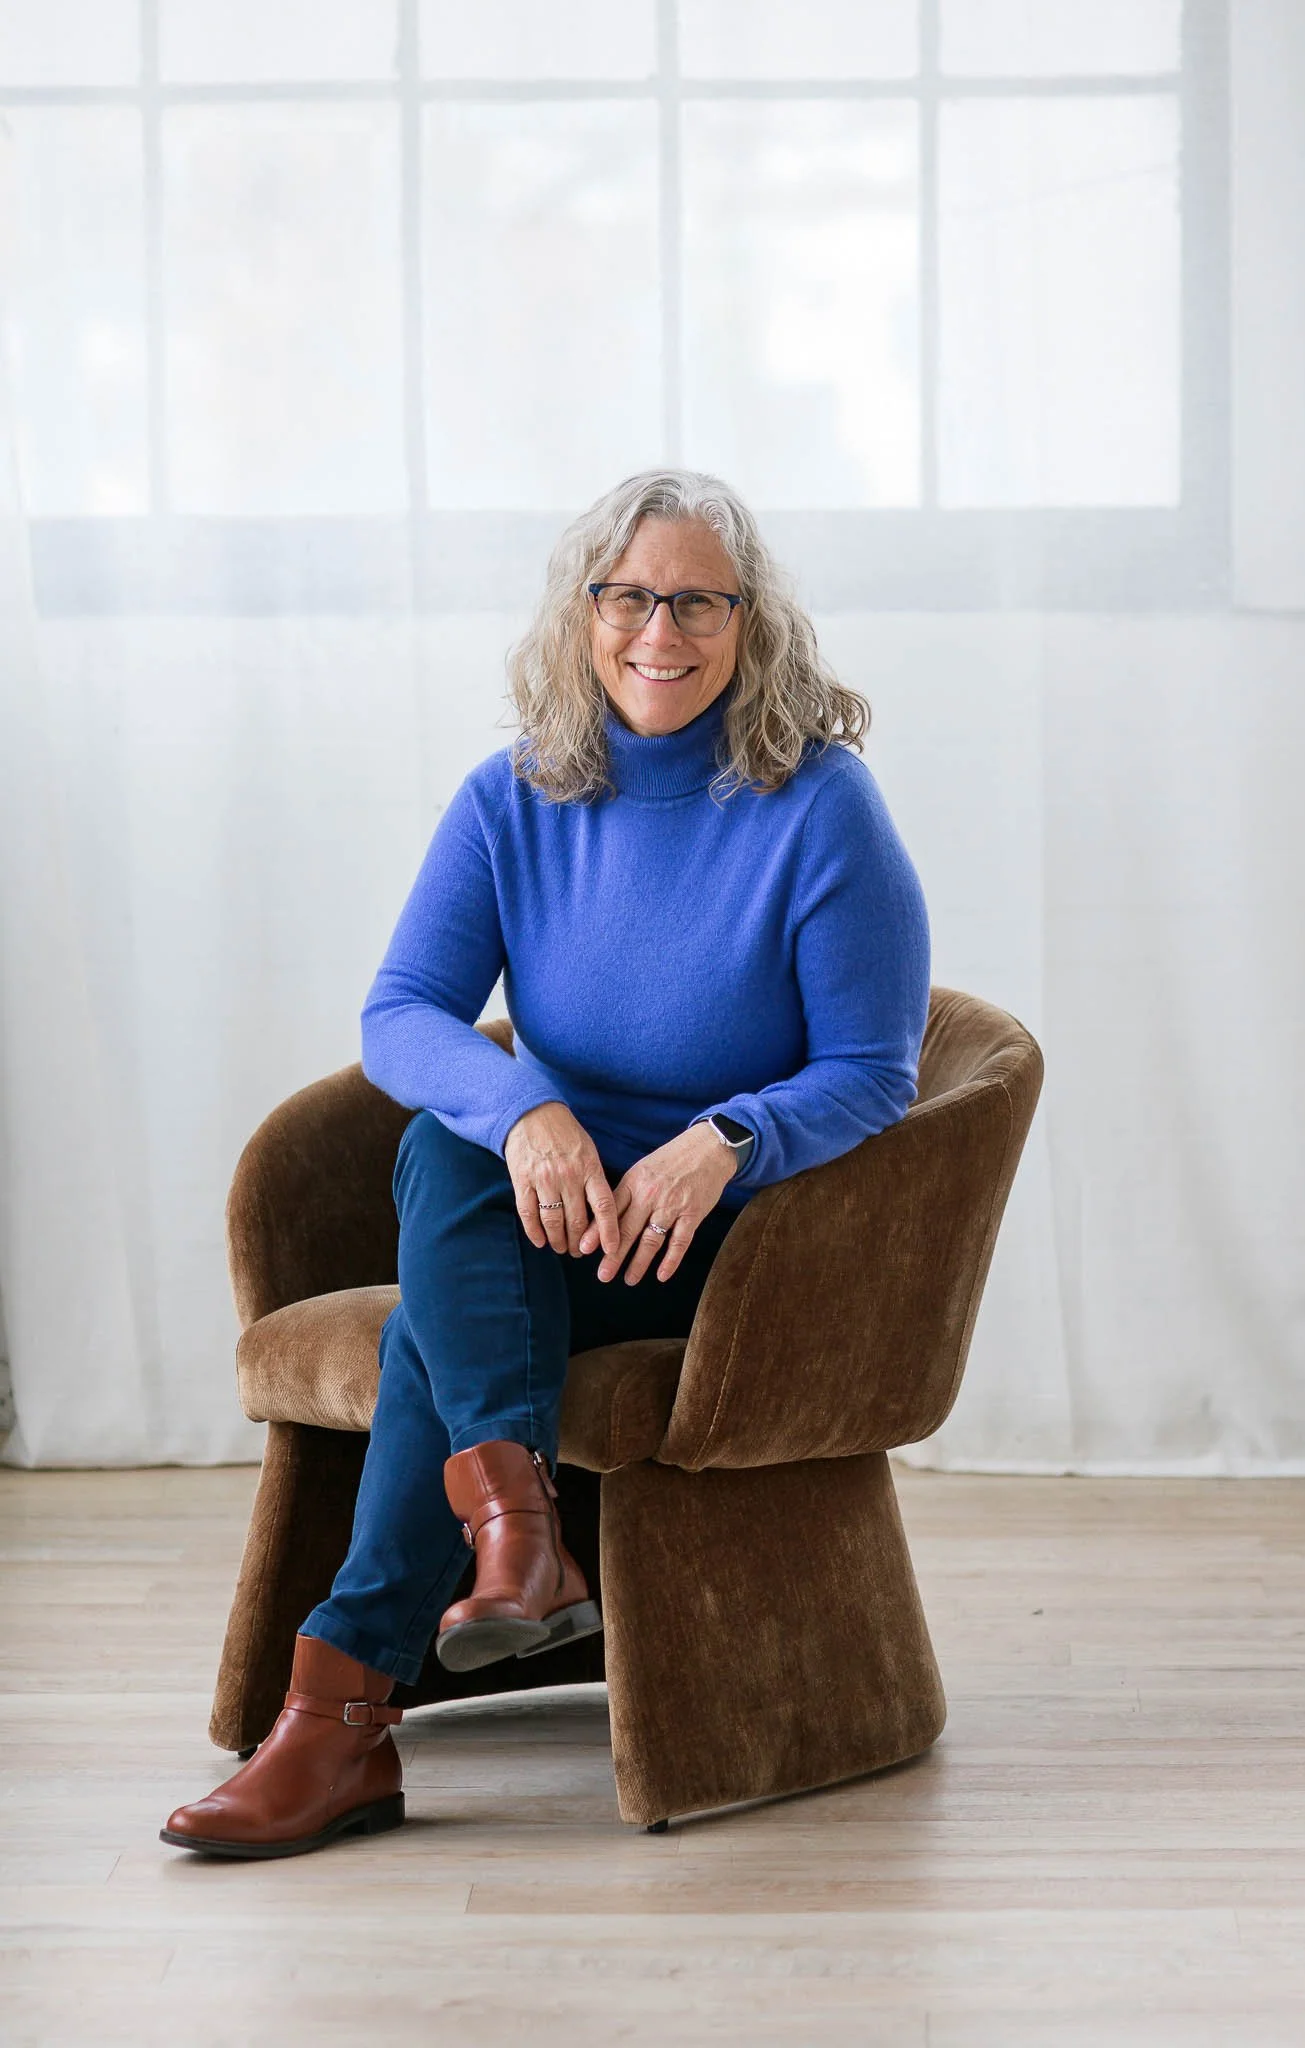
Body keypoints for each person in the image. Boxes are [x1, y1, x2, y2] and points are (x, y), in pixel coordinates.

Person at [161, 468, 931, 1859]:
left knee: (427, 1338)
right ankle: (511, 1533)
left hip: (728, 1254)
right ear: (585, 615)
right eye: (630, 596)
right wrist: (524, 1110)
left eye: (699, 599)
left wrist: (731, 1139)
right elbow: (402, 1015)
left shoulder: (820, 809)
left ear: (751, 623)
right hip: (546, 1213)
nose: (662, 630)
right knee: (450, 1156)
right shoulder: (514, 795)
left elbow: (877, 1070)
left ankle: (343, 1716)